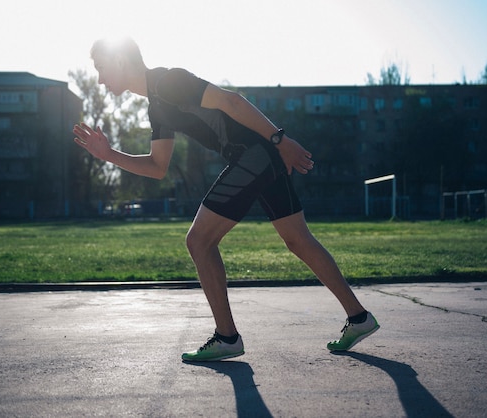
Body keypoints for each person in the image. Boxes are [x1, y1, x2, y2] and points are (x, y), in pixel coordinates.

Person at [73, 37, 379, 362]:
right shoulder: (157, 105)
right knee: (298, 241)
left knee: (199, 241)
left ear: (120, 61)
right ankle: (359, 318)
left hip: (254, 155)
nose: (100, 79)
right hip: (261, 157)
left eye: (101, 68)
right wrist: (109, 155)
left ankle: (227, 336)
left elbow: (230, 101)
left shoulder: (169, 81)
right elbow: (158, 166)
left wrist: (280, 139)